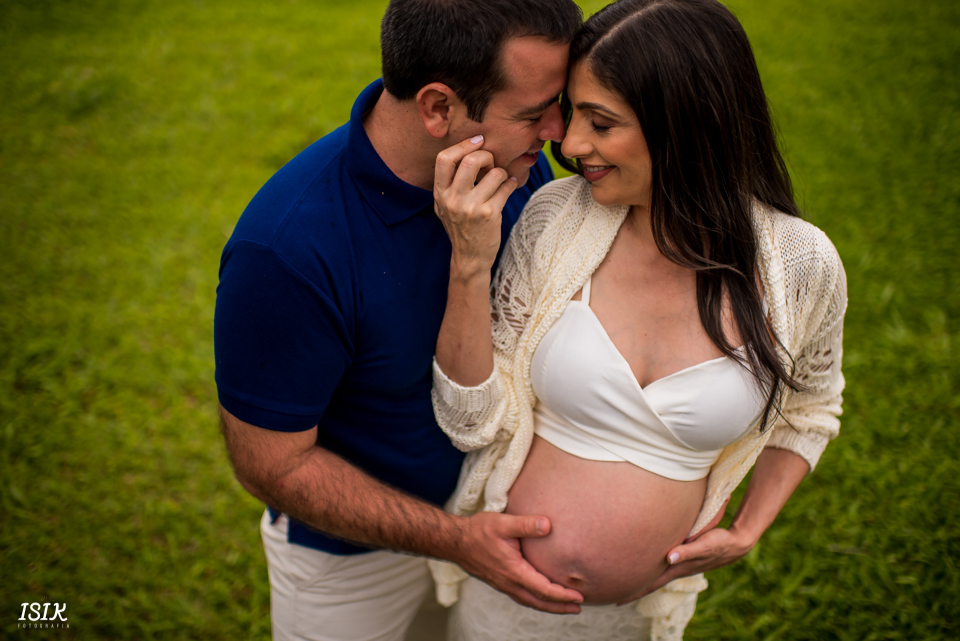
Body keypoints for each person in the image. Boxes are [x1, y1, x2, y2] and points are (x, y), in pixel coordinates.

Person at [429, 0, 847, 639]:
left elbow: (811, 406)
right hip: (500, 604)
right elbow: (469, 421)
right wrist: (468, 262)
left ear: (684, 125)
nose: (569, 145)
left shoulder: (800, 265)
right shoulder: (554, 219)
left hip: (638, 621)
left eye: (601, 122)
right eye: (573, 115)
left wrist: (748, 528)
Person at [213, 1, 588, 639]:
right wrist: (455, 540)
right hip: (353, 560)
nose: (560, 133)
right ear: (438, 108)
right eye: (532, 114)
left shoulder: (515, 169)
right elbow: (271, 465)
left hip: (499, 517)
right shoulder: (286, 251)